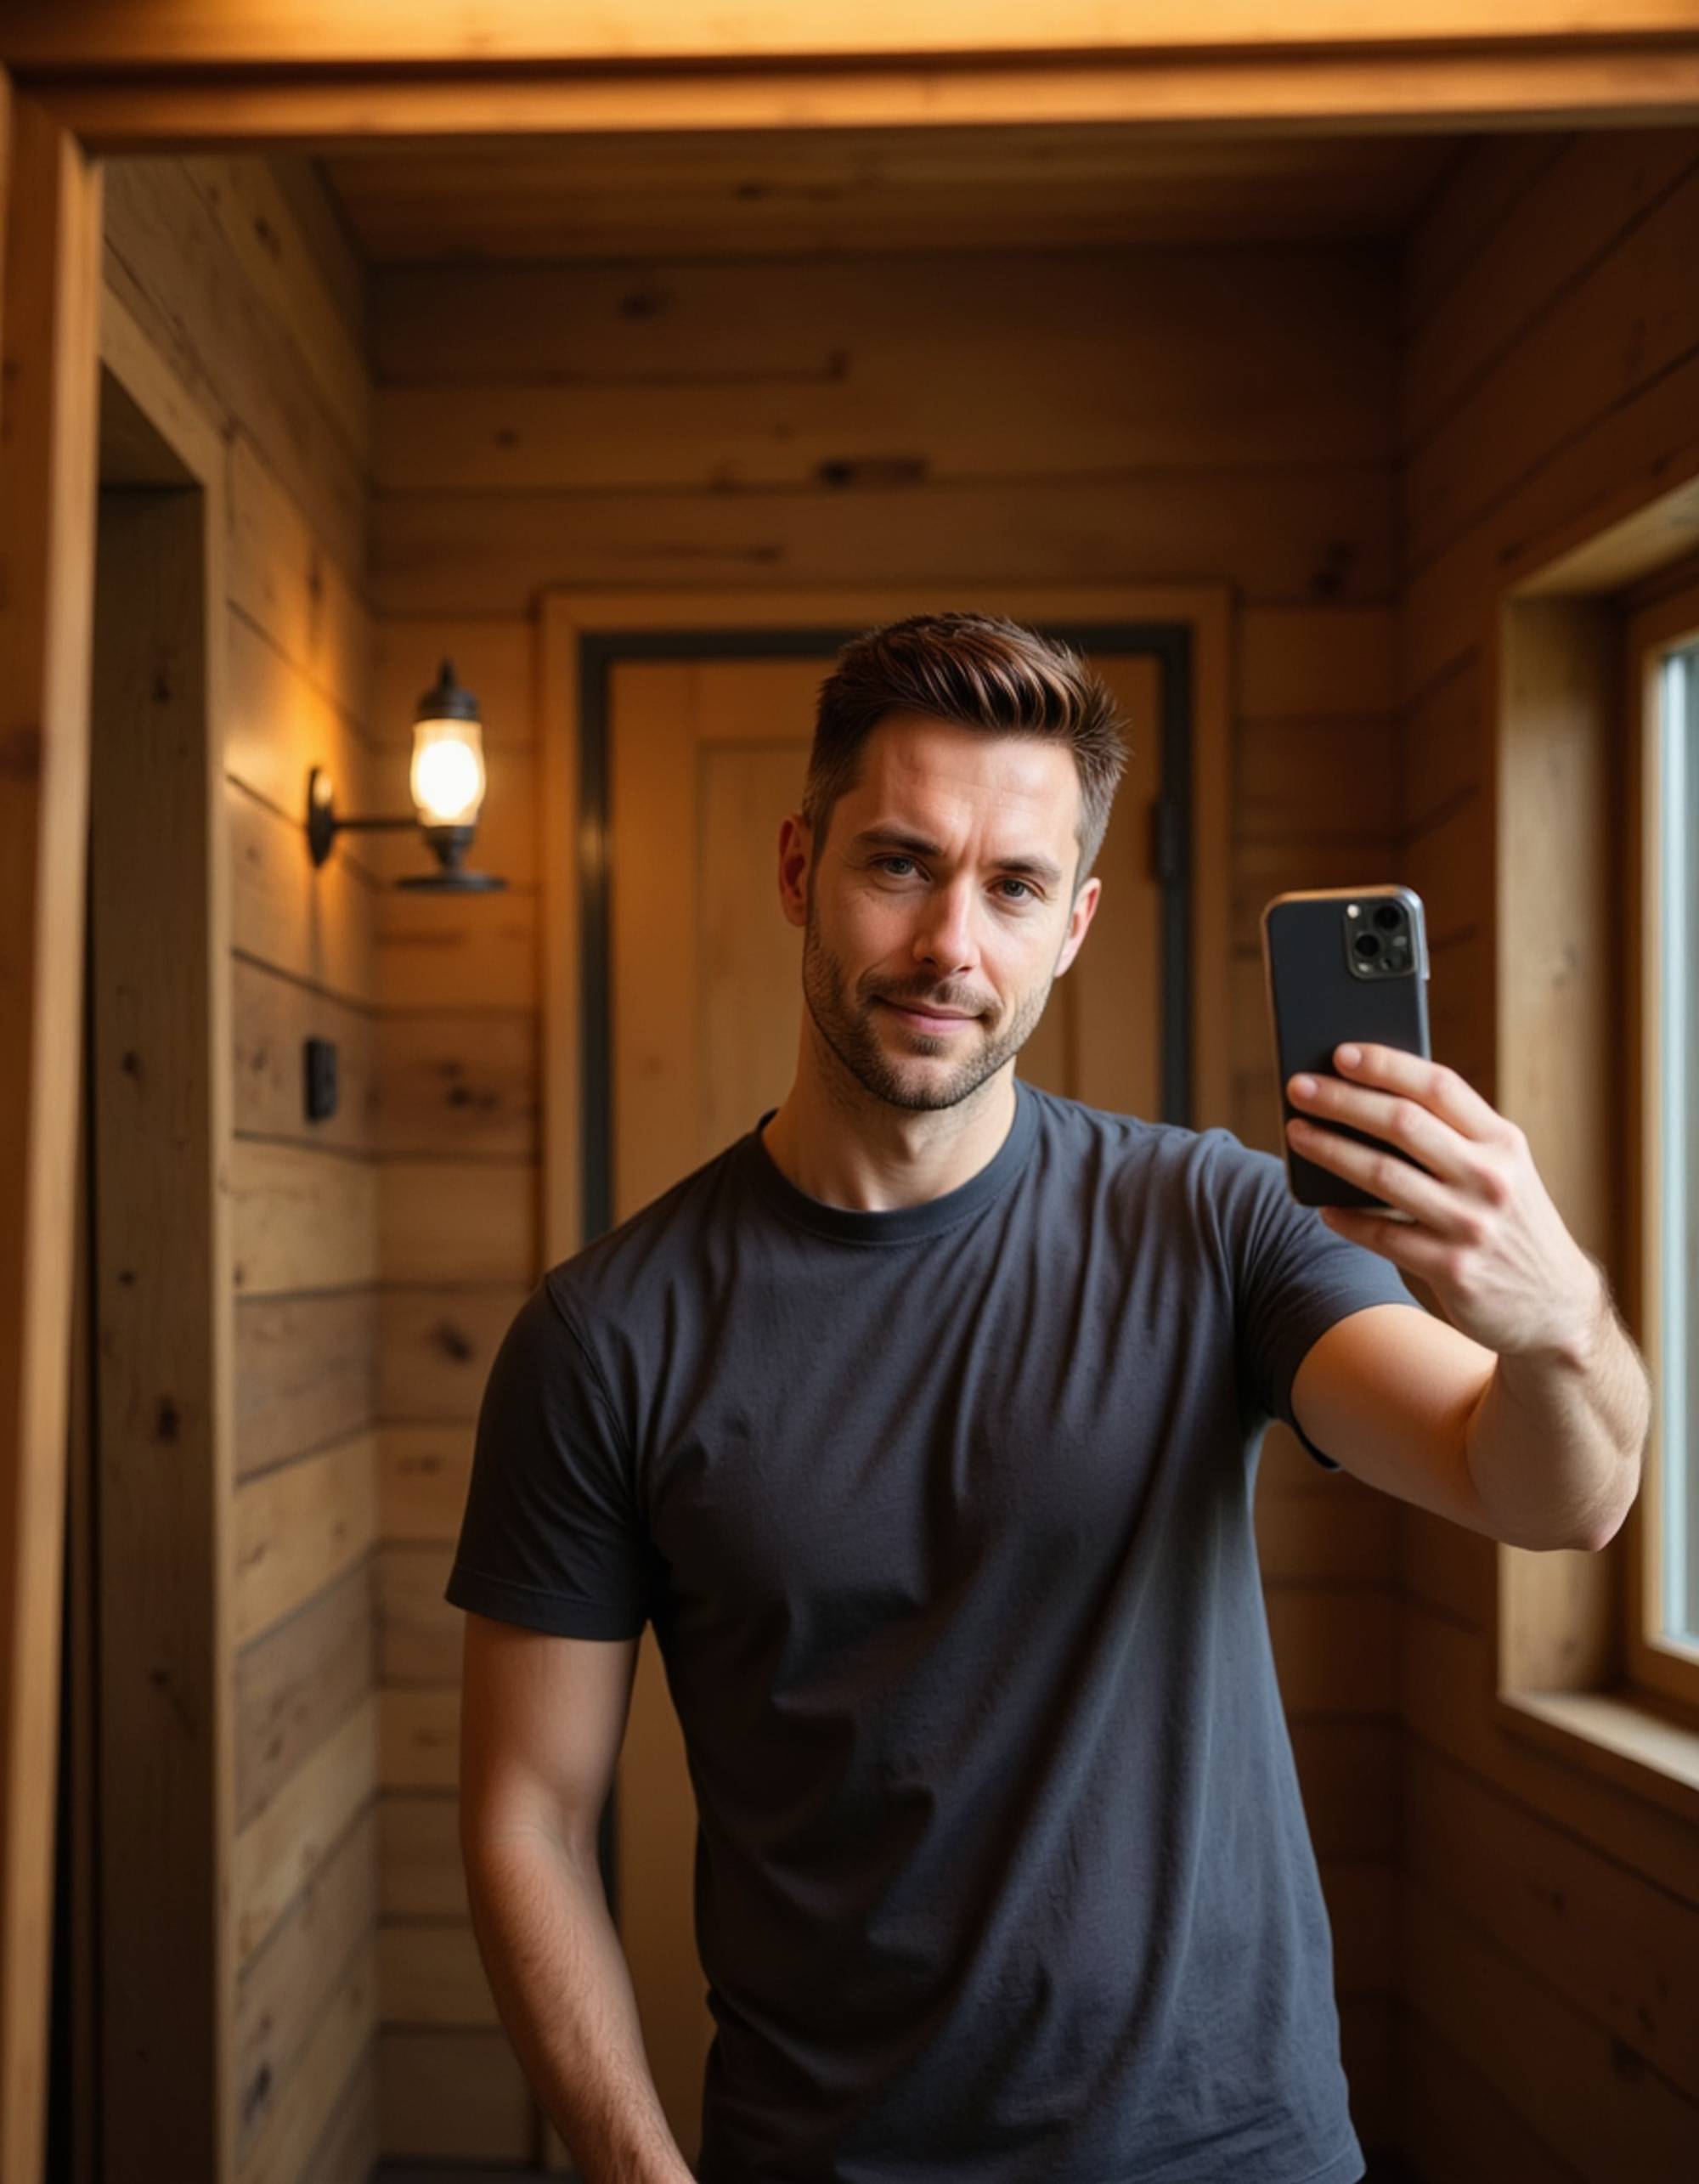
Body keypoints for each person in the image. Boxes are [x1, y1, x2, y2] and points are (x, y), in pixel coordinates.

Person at [443, 610, 1637, 2184]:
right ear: (801, 870)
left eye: (1011, 886)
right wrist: (632, 2166)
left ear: (1070, 926)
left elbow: (1548, 1493)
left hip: (1234, 2152)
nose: (953, 941)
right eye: (899, 864)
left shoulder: (1216, 1225)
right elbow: (527, 1816)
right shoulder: (607, 1335)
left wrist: (1559, 1326)